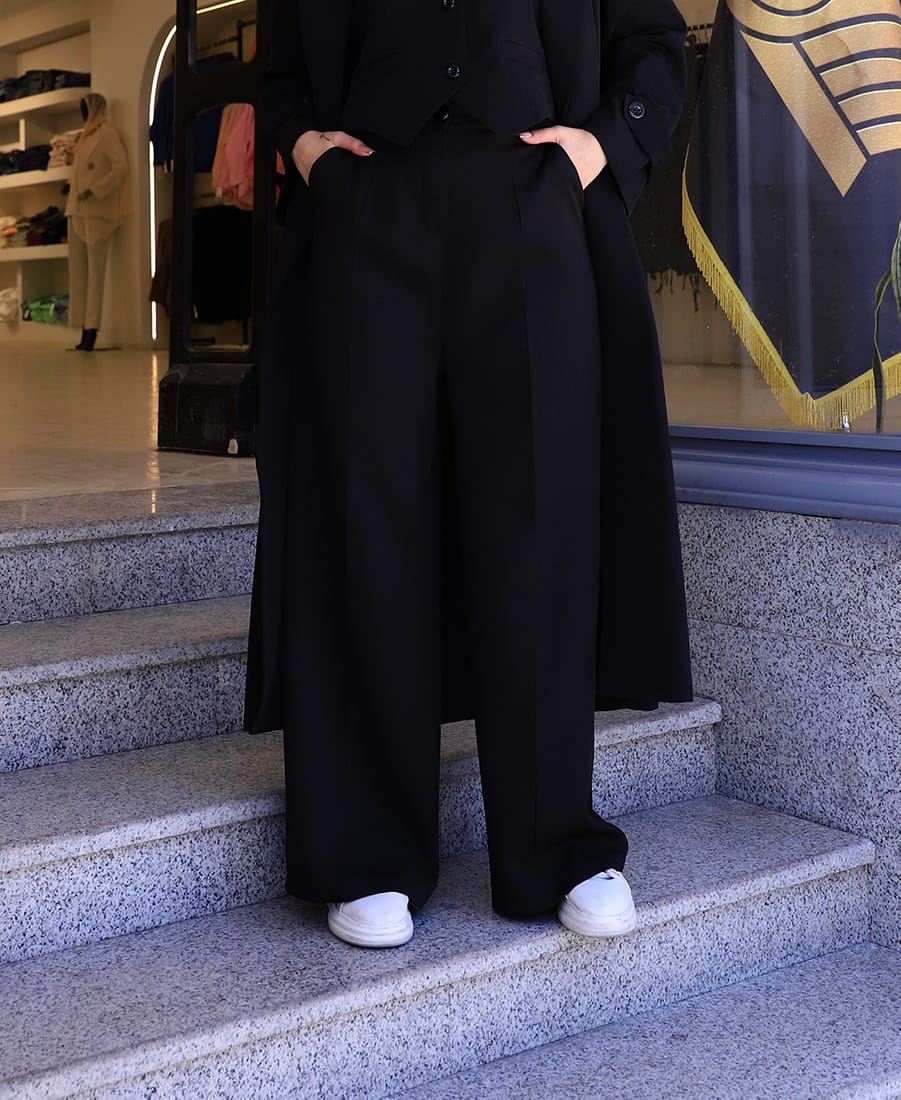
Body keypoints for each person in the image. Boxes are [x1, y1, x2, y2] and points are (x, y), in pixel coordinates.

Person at [245, 0, 693, 949]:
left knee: (541, 526)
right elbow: (279, 62)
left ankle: (553, 844)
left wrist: (602, 145)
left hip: (534, 200)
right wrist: (308, 150)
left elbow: (654, 41)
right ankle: (368, 851)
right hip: (368, 204)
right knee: (367, 523)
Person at [65, 93, 130, 351]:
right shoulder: (84, 138)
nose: (83, 113)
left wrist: (96, 189)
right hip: (76, 210)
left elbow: (120, 168)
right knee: (78, 273)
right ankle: (82, 325)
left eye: (86, 108)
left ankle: (91, 329)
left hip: (97, 212)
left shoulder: (107, 134)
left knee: (96, 273)